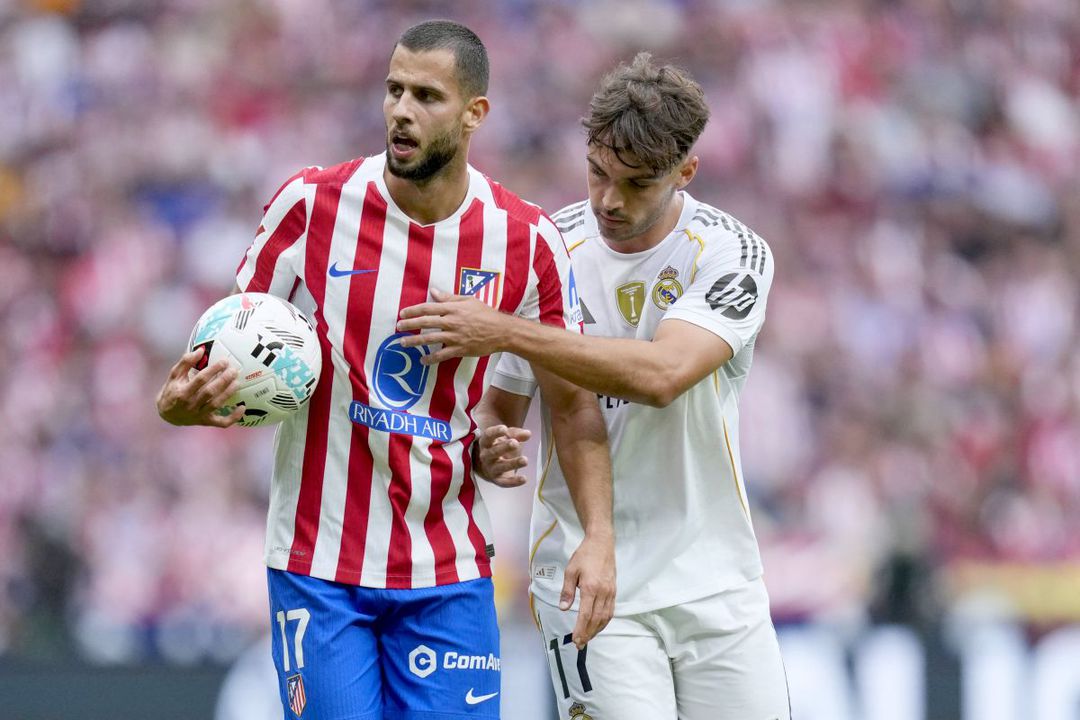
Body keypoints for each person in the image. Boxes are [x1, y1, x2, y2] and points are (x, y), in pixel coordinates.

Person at [155, 20, 615, 720]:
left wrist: (597, 537)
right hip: (319, 564)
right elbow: (229, 346)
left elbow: (574, 404)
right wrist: (181, 404)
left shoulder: (526, 242)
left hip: (448, 567)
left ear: (474, 113)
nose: (401, 110)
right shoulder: (311, 206)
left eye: (426, 96)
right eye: (394, 89)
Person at [397, 53, 791, 720]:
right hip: (583, 571)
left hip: (717, 578)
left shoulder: (732, 253)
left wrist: (507, 330)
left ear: (685, 172)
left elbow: (663, 376)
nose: (609, 199)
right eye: (598, 172)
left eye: (637, 183)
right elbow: (498, 406)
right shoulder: (545, 250)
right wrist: (489, 443)